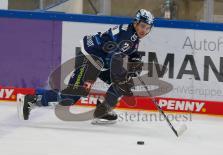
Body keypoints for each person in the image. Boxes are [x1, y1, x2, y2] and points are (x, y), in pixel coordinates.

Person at [18, 9, 154, 124]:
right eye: (142, 26)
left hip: (102, 62)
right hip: (91, 58)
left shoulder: (133, 37)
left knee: (124, 82)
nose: (144, 30)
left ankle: (102, 110)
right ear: (136, 23)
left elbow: (130, 51)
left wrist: (135, 60)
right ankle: (33, 99)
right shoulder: (127, 34)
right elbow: (109, 45)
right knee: (70, 97)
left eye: (148, 28)